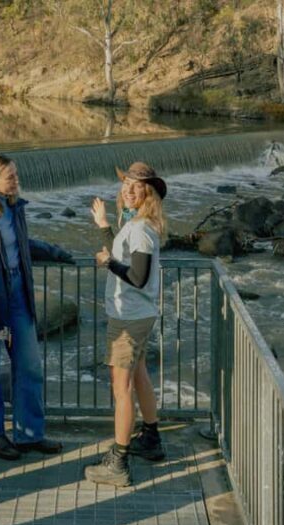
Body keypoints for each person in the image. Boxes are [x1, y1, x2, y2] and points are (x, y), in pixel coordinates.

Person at [0, 154, 74, 461]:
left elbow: (23, 244)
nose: (17, 181)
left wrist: (56, 252)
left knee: (30, 366)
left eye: (16, 176)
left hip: (18, 295)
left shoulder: (13, 207)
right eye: (11, 177)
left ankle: (29, 434)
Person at [84, 161, 168, 487]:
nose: (128, 190)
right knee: (140, 375)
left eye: (136, 186)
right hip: (138, 315)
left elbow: (137, 275)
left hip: (129, 319)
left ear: (149, 193)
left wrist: (107, 262)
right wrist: (105, 227)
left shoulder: (142, 230)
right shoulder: (134, 225)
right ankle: (150, 438)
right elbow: (123, 247)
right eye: (126, 184)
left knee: (122, 389)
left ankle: (118, 463)